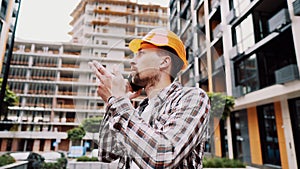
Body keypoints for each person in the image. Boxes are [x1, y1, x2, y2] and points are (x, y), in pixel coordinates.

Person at [89, 28, 210, 168]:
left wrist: (118, 102)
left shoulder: (192, 98)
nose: (132, 62)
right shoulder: (137, 110)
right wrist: (113, 102)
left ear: (164, 62)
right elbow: (106, 153)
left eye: (140, 54)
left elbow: (163, 157)